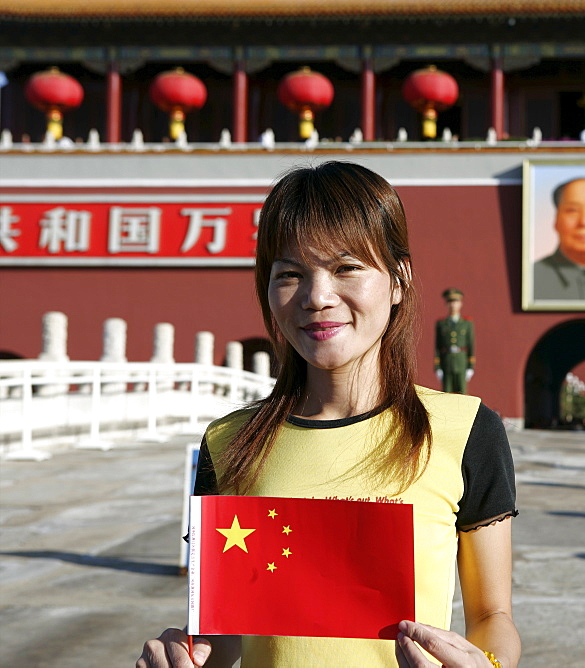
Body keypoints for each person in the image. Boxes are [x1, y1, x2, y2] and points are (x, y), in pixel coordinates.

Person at [137, 162, 520, 668]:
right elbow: (223, 633)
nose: (317, 297)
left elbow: (492, 614)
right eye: (290, 274)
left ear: (399, 279)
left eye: (346, 268)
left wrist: (486, 664)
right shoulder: (228, 442)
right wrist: (182, 657)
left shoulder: (465, 431)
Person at [434, 287, 475, 394]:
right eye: (450, 302)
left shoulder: (467, 323)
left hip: (461, 361)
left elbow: (471, 345)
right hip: (446, 361)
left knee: (462, 393)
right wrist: (437, 366)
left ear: (460, 304)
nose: (453, 305)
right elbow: (437, 346)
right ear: (446, 304)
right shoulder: (441, 324)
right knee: (447, 393)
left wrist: (470, 366)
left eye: (456, 302)